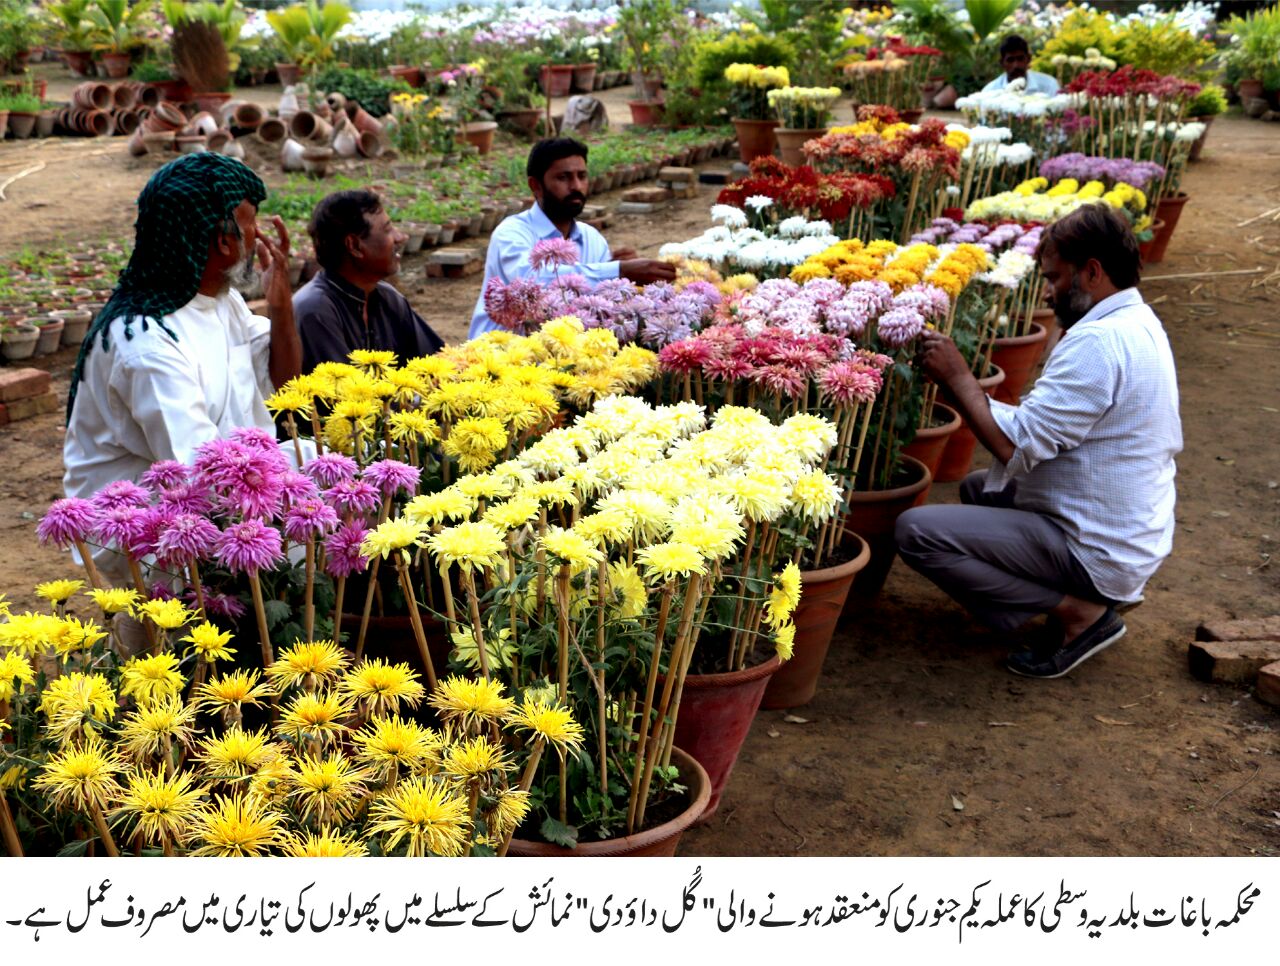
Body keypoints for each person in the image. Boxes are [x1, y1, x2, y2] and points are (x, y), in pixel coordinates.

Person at [896, 204, 1182, 678]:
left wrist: (961, 378)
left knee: (918, 531)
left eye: (1055, 278)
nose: (1049, 294)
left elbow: (1015, 447)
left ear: (1091, 272)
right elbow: (1041, 426)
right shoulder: (1137, 322)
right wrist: (958, 384)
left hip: (1099, 546)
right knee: (978, 489)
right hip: (1126, 530)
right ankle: (1075, 599)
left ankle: (1080, 614)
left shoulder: (1099, 343)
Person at [63, 153, 300, 582]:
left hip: (230, 489)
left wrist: (281, 304)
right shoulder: (148, 345)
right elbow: (197, 477)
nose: (259, 235)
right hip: (154, 529)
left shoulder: (219, 297)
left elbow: (285, 385)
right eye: (251, 224)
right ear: (224, 242)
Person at [469, 136, 676, 339]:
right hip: (499, 358)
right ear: (536, 186)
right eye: (563, 177)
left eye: (582, 176)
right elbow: (530, 280)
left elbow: (601, 307)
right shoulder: (512, 233)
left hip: (567, 354)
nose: (576, 186)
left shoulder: (591, 238)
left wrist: (619, 283)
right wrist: (617, 270)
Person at [293, 189, 444, 372]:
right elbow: (343, 396)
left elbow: (437, 365)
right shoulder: (315, 311)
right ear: (354, 245)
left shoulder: (389, 298)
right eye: (388, 230)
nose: (401, 237)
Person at [982, 35, 1059, 95]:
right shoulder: (990, 92)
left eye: (1020, 59)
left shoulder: (1048, 85)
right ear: (1002, 63)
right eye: (1010, 60)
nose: (1016, 65)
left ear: (1028, 59)